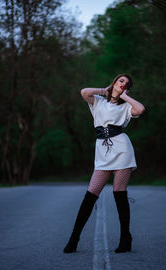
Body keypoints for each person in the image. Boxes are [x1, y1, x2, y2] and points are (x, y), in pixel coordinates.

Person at [63, 74, 145, 254]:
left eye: (127, 84)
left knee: (119, 194)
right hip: (102, 150)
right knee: (90, 195)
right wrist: (105, 90)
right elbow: (84, 92)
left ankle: (125, 238)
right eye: (121, 81)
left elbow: (140, 109)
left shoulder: (125, 107)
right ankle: (74, 238)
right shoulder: (98, 101)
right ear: (115, 82)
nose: (123, 84)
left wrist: (124, 97)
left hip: (122, 149)